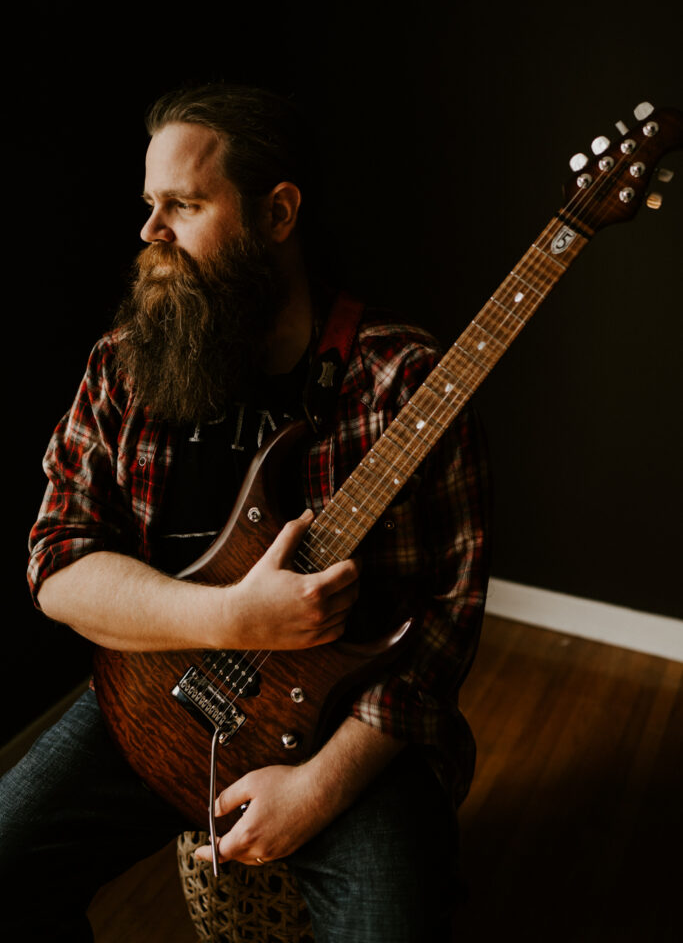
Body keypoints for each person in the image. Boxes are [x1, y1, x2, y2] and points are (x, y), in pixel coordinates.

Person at [0, 84, 489, 942]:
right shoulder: (123, 363)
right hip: (152, 700)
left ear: (278, 213)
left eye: (183, 205)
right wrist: (233, 616)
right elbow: (56, 561)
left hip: (343, 727)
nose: (150, 231)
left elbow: (447, 617)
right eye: (149, 204)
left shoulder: (400, 380)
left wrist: (320, 789)